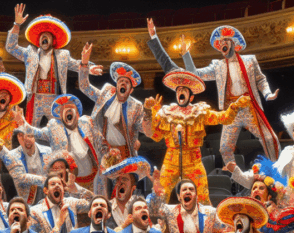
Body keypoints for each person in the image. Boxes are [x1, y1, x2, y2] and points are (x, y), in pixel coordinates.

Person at [143, 70, 250, 205]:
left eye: (185, 90)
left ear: (191, 97)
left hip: (194, 161)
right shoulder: (166, 113)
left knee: (203, 198)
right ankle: (156, 224)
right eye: (178, 90)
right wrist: (148, 112)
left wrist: (236, 106)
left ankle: (206, 224)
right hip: (171, 160)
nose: (181, 92)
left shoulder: (199, 113)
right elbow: (153, 135)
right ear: (176, 94)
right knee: (159, 196)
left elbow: (224, 118)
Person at [178, 25, 281, 164]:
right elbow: (196, 74)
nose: (222, 44)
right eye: (220, 42)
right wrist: (186, 55)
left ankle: (275, 170)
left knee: (270, 138)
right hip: (231, 110)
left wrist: (267, 94)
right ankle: (236, 176)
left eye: (225, 40)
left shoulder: (250, 60)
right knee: (225, 148)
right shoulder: (217, 65)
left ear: (233, 43)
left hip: (250, 107)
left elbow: (260, 79)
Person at [7, 4, 102, 126]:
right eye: (42, 36)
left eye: (47, 36)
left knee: (58, 132)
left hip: (54, 99)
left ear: (53, 40)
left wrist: (89, 67)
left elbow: (77, 64)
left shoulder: (62, 55)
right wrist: (17, 25)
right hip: (35, 99)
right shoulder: (30, 52)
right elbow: (11, 47)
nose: (44, 38)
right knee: (29, 132)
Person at [79, 45, 145, 168]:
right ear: (116, 85)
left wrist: (150, 114)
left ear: (130, 90)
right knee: (84, 120)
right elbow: (84, 87)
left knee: (123, 185)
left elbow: (142, 128)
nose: (123, 83)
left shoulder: (136, 106)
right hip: (103, 150)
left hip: (124, 154)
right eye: (121, 81)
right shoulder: (106, 95)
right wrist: (84, 63)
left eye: (126, 82)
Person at [30, 95, 104, 194]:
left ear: (77, 114)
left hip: (93, 179)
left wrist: (108, 154)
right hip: (70, 184)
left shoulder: (86, 124)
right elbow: (36, 133)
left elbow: (101, 142)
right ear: (60, 117)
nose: (66, 109)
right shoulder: (55, 130)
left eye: (70, 107)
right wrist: (22, 124)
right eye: (63, 109)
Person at [30, 165, 93, 233]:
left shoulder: (71, 203)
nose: (57, 185)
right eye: (53, 184)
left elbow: (93, 202)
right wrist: (59, 223)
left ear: (63, 189)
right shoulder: (35, 212)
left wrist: (75, 187)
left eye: (59, 184)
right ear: (46, 190)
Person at [0, 124, 51, 204]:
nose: (25, 139)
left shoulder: (48, 151)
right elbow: (20, 177)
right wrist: (45, 180)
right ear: (17, 138)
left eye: (29, 135)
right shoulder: (11, 155)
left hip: (49, 194)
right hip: (27, 201)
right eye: (21, 136)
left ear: (34, 136)